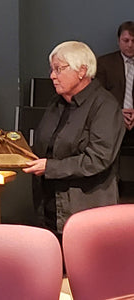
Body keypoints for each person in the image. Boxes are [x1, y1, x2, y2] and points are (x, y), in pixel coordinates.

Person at [23, 41, 125, 241]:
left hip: (85, 212)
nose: (52, 76)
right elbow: (46, 147)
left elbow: (98, 159)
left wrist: (50, 168)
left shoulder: (105, 106)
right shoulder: (56, 103)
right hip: (50, 211)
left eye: (59, 69)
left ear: (82, 70)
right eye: (52, 69)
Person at [96, 21, 134, 133]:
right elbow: (98, 95)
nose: (130, 45)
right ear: (118, 41)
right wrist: (117, 113)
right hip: (111, 121)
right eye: (126, 40)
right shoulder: (104, 63)